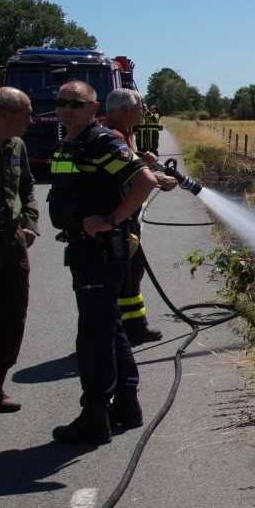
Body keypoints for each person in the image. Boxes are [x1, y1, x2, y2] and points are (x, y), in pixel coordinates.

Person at [47, 80, 159, 444]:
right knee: (109, 327)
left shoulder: (102, 142)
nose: (66, 109)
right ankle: (126, 405)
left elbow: (144, 182)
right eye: (62, 102)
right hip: (84, 248)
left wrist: (112, 219)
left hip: (100, 251)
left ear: (93, 108)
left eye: (75, 104)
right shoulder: (71, 142)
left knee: (93, 336)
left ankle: (94, 416)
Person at [104, 89, 178, 345]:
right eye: (139, 110)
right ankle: (118, 332)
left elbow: (128, 167)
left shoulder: (125, 134)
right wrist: (158, 178)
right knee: (122, 276)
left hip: (127, 220)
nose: (142, 114)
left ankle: (135, 327)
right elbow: (125, 175)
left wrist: (142, 160)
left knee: (132, 273)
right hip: (119, 221)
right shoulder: (112, 137)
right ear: (123, 111)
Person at [0, 87, 38, 413]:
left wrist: (30, 222)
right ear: (3, 115)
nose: (31, 120)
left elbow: (27, 186)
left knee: (12, 317)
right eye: (26, 114)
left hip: (10, 244)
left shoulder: (17, 146)